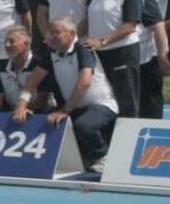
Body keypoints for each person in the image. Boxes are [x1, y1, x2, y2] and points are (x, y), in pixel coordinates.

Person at [13, 18, 118, 174]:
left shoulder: (83, 49)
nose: (51, 36)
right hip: (75, 106)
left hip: (102, 104)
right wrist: (21, 106)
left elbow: (85, 82)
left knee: (84, 126)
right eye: (50, 32)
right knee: (39, 121)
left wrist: (64, 110)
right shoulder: (50, 53)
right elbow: (31, 82)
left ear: (72, 34)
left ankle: (102, 156)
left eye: (56, 32)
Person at [83, 0, 143, 118]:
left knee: (126, 101)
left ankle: (127, 141)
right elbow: (88, 17)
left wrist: (102, 41)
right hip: (96, 54)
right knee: (100, 99)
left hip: (122, 53)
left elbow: (129, 26)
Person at [0, 26, 48, 116]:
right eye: (5, 42)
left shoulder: (40, 65)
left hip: (38, 114)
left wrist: (21, 110)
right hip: (11, 114)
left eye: (12, 42)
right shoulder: (2, 67)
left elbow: (41, 101)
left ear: (26, 44)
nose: (7, 45)